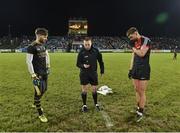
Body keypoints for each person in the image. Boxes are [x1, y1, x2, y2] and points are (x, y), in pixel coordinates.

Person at [127, 27, 151, 122]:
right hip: (135, 69)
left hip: (143, 69)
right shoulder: (134, 42)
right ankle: (138, 108)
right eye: (129, 38)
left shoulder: (146, 40)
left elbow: (142, 53)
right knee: (136, 90)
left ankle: (141, 112)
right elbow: (133, 56)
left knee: (141, 91)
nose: (131, 39)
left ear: (136, 33)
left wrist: (132, 47)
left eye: (131, 37)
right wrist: (130, 69)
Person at [26, 28, 50, 122]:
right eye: (44, 37)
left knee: (44, 89)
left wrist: (48, 66)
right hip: (37, 74)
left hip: (44, 72)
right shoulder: (31, 47)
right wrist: (32, 74)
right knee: (39, 92)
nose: (46, 38)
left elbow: (47, 55)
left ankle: (35, 103)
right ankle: (40, 113)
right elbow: (28, 62)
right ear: (39, 36)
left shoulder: (43, 46)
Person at [76, 37, 104, 112]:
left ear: (91, 43)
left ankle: (96, 104)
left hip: (93, 73)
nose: (87, 46)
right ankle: (84, 105)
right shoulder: (81, 52)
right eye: (85, 44)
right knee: (84, 90)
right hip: (84, 74)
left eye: (88, 44)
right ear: (83, 44)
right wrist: (83, 66)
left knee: (94, 89)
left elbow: (101, 61)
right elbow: (78, 64)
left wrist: (102, 70)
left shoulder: (96, 51)